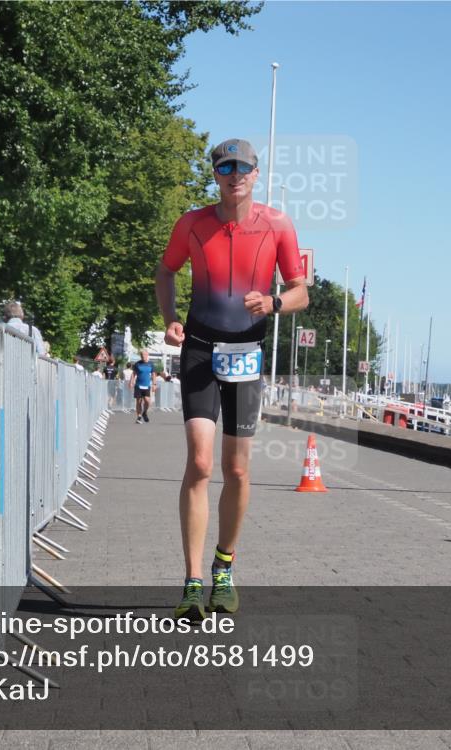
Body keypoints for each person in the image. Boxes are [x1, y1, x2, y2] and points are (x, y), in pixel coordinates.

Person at [155, 138, 309, 620]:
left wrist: (276, 303)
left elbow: (301, 289)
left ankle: (224, 568)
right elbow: (165, 272)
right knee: (200, 465)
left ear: (256, 174)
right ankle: (191, 581)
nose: (234, 174)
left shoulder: (277, 224)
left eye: (243, 167)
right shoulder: (192, 223)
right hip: (200, 348)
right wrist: (170, 318)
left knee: (237, 470)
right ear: (216, 175)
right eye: (225, 167)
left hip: (246, 352)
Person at [130, 349, 156, 423]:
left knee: (147, 401)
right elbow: (133, 373)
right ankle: (139, 416)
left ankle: (144, 412)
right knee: (139, 401)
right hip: (138, 385)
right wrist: (131, 382)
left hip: (146, 385)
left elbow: (154, 374)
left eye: (144, 355)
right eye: (141, 355)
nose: (143, 356)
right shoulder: (137, 364)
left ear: (147, 355)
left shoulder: (151, 364)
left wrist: (154, 384)